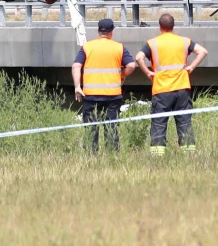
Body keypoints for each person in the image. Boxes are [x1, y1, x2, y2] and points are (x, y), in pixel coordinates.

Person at [135, 14, 208, 155]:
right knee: (184, 122)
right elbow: (203, 51)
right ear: (173, 26)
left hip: (161, 89)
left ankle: (157, 155)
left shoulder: (152, 43)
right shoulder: (184, 41)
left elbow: (139, 57)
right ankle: (189, 155)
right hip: (182, 88)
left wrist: (148, 73)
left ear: (160, 26)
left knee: (159, 123)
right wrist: (191, 67)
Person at [72, 18, 137, 153]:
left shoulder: (87, 47)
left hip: (90, 95)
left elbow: (76, 65)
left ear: (98, 31)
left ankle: (91, 155)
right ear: (112, 32)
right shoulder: (119, 47)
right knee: (111, 127)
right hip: (112, 95)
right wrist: (122, 75)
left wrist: (77, 86)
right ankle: (112, 155)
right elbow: (131, 65)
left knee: (91, 128)